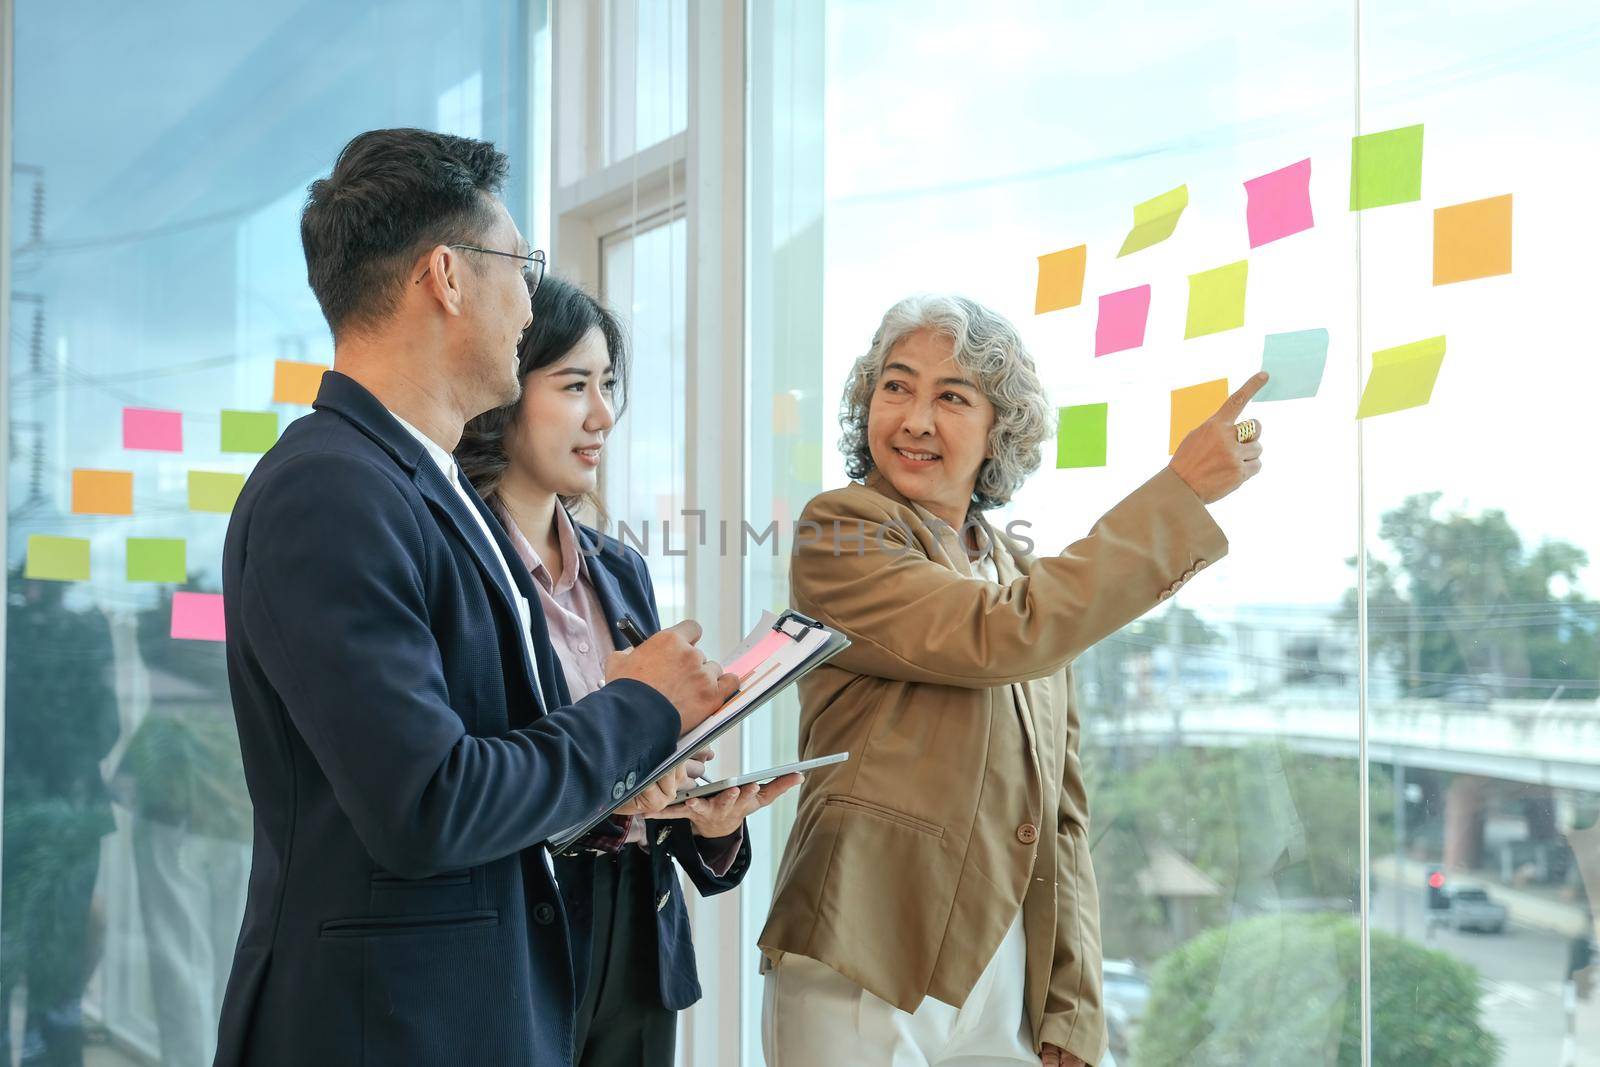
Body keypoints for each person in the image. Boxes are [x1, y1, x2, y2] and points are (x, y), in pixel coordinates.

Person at [214, 128, 737, 1067]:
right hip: (390, 1029)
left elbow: (503, 762)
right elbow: (429, 801)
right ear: (447, 277)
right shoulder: (330, 490)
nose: (530, 296)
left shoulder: (418, 481)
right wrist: (640, 708)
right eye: (522, 264)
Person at [758, 294, 1268, 1067]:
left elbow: (1061, 812)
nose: (916, 419)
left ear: (1002, 429)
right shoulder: (842, 533)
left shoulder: (1012, 569)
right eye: (895, 387)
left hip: (1000, 974)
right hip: (867, 949)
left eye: (952, 397)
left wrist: (1070, 1005)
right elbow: (998, 632)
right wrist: (1180, 494)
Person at [457, 272, 800, 1065]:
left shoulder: (620, 571)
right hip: (524, 937)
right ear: (505, 387)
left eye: (607, 386)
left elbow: (642, 744)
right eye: (575, 385)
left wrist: (703, 818)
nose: (603, 416)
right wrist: (618, 791)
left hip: (640, 947)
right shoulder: (463, 562)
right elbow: (482, 771)